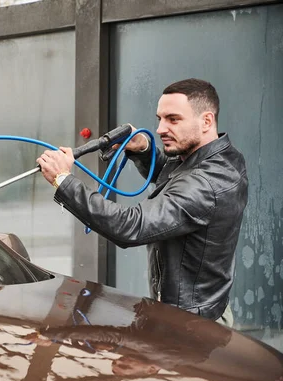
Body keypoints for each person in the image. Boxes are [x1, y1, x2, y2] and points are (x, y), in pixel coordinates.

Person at [36, 78, 248, 325]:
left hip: (190, 327)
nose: (160, 129)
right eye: (160, 119)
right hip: (190, 311)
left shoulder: (207, 183)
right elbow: (176, 183)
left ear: (206, 121)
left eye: (173, 119)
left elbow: (131, 226)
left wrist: (64, 181)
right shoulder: (217, 155)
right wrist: (143, 149)